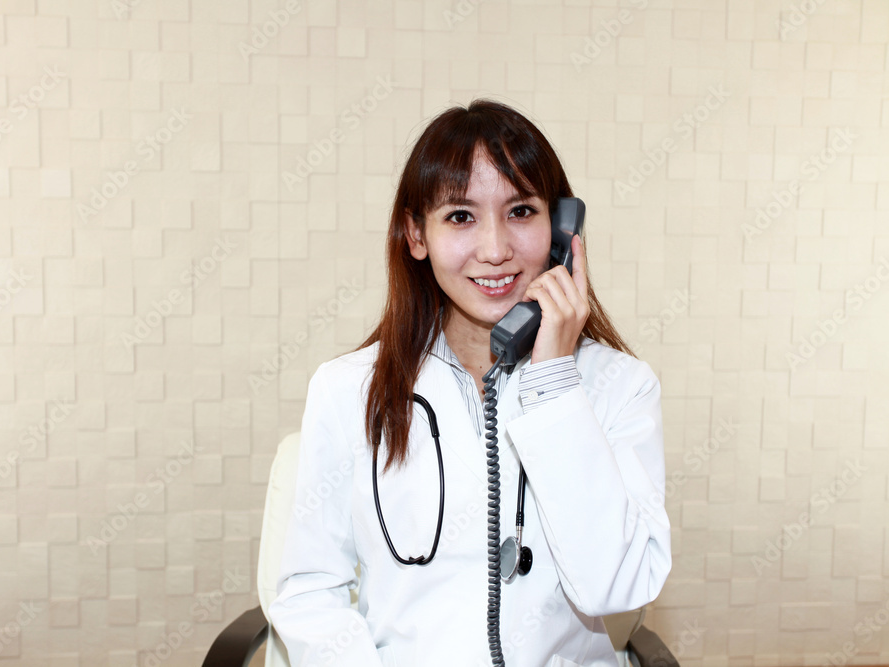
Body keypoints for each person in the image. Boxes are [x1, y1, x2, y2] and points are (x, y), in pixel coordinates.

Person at [269, 99, 671, 667]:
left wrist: (554, 383)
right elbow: (310, 592)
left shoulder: (620, 387)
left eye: (521, 211)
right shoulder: (347, 390)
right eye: (461, 217)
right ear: (416, 234)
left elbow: (618, 589)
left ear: (563, 230)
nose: (495, 250)